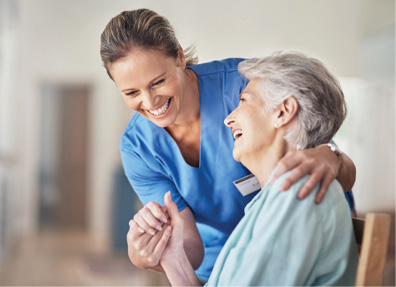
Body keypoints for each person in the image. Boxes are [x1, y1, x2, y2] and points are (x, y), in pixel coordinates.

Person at [100, 9, 357, 280]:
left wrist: (331, 155)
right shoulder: (138, 146)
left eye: (158, 82)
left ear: (179, 57)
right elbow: (185, 242)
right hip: (226, 264)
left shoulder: (247, 85)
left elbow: (317, 137)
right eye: (131, 93)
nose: (150, 103)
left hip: (292, 237)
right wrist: (154, 252)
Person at [158, 52, 359, 286]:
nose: (228, 119)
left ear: (283, 112)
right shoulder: (274, 198)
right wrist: (174, 259)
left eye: (243, 100)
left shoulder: (298, 194)